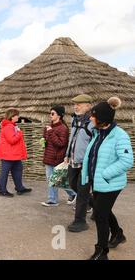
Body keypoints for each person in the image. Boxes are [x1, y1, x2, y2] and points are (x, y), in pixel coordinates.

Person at [81, 97, 133, 260]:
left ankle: (102, 252)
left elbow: (126, 161)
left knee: (100, 215)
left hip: (110, 183)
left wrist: (104, 174)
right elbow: (93, 155)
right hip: (97, 182)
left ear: (102, 119)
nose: (90, 117)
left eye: (93, 115)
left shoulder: (120, 135)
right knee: (101, 209)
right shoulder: (98, 133)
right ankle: (117, 234)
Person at [65, 94, 95, 232]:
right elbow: (72, 138)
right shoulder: (74, 120)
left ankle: (80, 221)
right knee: (72, 185)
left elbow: (96, 144)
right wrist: (67, 154)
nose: (76, 106)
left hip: (85, 163)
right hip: (73, 161)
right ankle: (98, 206)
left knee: (82, 192)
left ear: (88, 105)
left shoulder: (93, 122)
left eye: (79, 104)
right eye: (75, 104)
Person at [41, 106, 76, 207]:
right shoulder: (50, 127)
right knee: (58, 180)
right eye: (50, 113)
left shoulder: (63, 128)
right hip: (49, 157)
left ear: (59, 115)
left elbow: (61, 143)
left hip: (56, 158)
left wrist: (50, 132)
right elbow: (49, 141)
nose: (50, 115)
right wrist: (43, 139)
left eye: (53, 113)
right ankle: (73, 194)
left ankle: (53, 200)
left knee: (54, 179)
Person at [0, 108, 32, 197]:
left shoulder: (12, 126)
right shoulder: (8, 127)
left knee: (18, 169)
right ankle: (2, 190)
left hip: (13, 154)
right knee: (5, 172)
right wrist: (20, 133)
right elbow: (12, 140)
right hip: (8, 154)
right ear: (12, 116)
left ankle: (20, 188)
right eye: (17, 115)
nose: (18, 117)